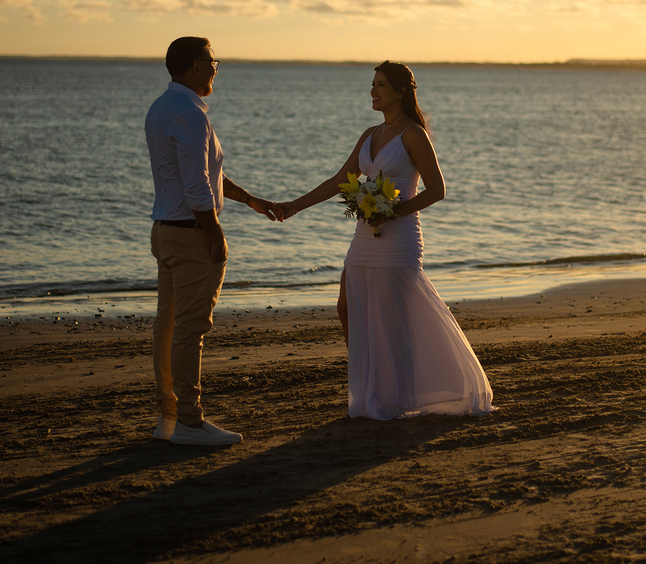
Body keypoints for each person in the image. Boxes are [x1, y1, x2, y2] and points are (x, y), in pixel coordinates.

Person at [281, 62, 493, 420]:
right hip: (364, 234)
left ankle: (400, 394)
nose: (373, 91)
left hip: (399, 236)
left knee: (395, 318)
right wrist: (294, 206)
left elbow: (437, 190)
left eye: (380, 85)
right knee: (348, 308)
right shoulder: (369, 134)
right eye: (372, 84)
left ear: (400, 91)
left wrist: (392, 211)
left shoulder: (413, 134)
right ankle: (370, 389)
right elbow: (340, 179)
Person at [145, 36, 283, 445]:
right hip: (189, 235)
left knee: (167, 328)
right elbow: (196, 185)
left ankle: (168, 418)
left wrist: (250, 200)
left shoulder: (162, 107)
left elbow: (206, 174)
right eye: (211, 59)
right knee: (189, 330)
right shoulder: (190, 113)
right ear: (192, 67)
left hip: (165, 231)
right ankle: (189, 420)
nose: (216, 66)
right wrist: (214, 232)